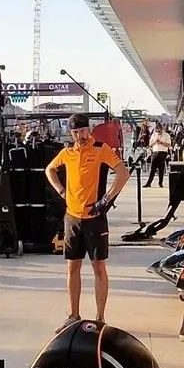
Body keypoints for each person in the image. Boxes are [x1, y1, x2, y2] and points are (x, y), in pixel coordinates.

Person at [45, 112, 130, 323]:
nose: (79, 136)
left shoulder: (101, 149)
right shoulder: (67, 152)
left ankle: (100, 317)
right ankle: (74, 315)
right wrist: (61, 191)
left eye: (82, 131)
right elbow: (50, 170)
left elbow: (123, 173)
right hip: (72, 218)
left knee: (98, 267)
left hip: (95, 217)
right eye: (75, 132)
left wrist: (106, 199)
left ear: (88, 129)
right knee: (72, 267)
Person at [145, 123, 172, 188]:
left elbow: (169, 144)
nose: (158, 132)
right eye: (157, 131)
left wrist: (161, 143)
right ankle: (149, 183)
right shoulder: (154, 135)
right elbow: (150, 144)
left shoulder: (166, 135)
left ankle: (160, 182)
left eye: (159, 131)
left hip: (163, 152)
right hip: (155, 152)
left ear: (162, 129)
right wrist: (155, 142)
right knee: (153, 168)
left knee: (161, 168)